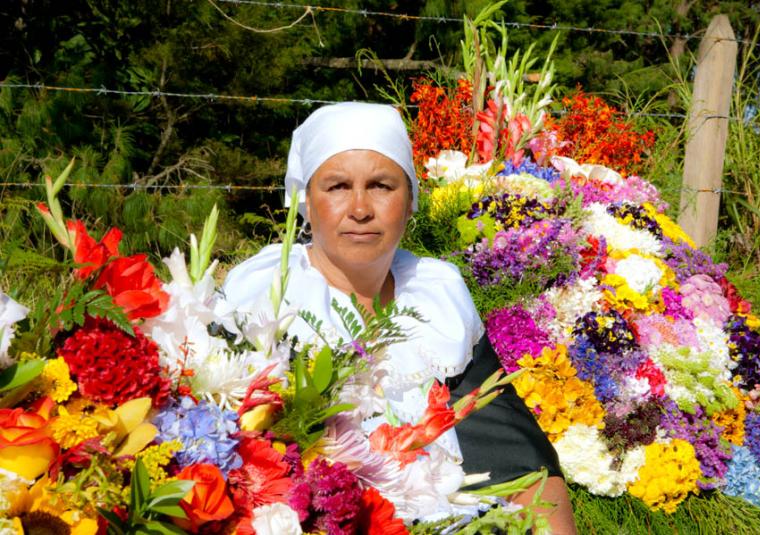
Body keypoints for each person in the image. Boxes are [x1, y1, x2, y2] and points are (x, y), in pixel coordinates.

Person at [223, 102, 577, 533]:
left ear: (409, 201)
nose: (359, 208)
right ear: (306, 202)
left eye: (381, 186)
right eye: (336, 186)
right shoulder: (264, 304)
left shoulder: (435, 300)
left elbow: (517, 458)